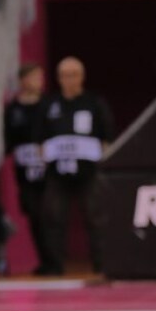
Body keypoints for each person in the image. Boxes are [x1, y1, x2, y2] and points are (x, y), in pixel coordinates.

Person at [37, 56, 113, 275]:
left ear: (82, 76)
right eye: (64, 75)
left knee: (96, 217)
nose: (69, 80)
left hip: (89, 171)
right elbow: (40, 139)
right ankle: (54, 266)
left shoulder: (94, 103)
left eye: (73, 75)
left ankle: (102, 264)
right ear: (58, 78)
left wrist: (102, 164)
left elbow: (107, 137)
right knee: (53, 218)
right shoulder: (50, 104)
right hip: (57, 172)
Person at [3, 62, 49, 273]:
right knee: (35, 215)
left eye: (40, 77)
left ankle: (55, 262)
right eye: (34, 77)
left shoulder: (49, 104)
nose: (38, 82)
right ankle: (45, 261)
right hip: (25, 170)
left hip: (51, 171)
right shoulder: (13, 109)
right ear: (23, 81)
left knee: (53, 215)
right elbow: (7, 142)